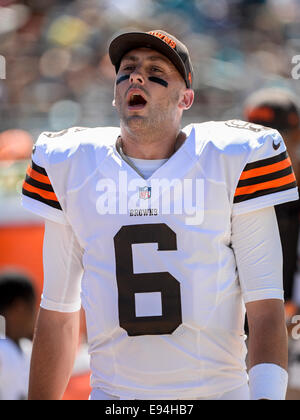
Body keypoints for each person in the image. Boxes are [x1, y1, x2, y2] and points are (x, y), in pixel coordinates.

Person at [22, 30, 299, 400]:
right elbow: (57, 315)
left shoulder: (233, 159)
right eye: (128, 69)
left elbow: (265, 309)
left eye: (155, 70)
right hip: (115, 399)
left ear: (186, 97)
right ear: (115, 93)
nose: (137, 76)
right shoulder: (70, 164)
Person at [244, 88, 300, 314]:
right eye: (256, 141)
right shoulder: (237, 199)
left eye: (276, 141)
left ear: (297, 137)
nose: (264, 152)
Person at [0, 272, 36, 400]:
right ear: (19, 308)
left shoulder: (26, 348)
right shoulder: (3, 349)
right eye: (33, 309)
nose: (36, 318)